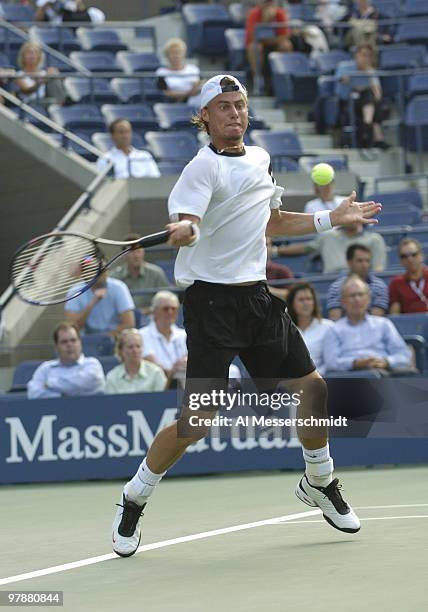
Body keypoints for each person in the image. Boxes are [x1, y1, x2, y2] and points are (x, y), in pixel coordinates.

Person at [111, 73, 382, 557]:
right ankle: (135, 496)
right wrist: (186, 230)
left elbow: (271, 221)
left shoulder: (260, 158)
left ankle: (319, 481)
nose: (235, 113)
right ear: (204, 117)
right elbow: (189, 223)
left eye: (240, 105)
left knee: (314, 388)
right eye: (224, 106)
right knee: (197, 421)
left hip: (256, 299)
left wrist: (330, 219)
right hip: (211, 305)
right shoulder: (199, 170)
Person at [324, 276, 412, 374]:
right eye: (352, 295)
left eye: (360, 294)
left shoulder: (383, 324)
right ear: (343, 301)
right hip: (349, 378)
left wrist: (386, 361)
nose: (357, 299)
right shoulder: (334, 329)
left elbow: (405, 355)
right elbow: (331, 363)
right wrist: (356, 363)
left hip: (383, 374)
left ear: (368, 299)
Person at [27, 321, 105, 398]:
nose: (69, 345)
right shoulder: (45, 369)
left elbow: (86, 381)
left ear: (80, 343)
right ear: (56, 347)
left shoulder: (92, 364)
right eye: (64, 342)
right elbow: (33, 393)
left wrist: (48, 385)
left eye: (73, 340)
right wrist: (61, 397)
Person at [276, 222, 386, 274]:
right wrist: (276, 250)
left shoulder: (375, 239)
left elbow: (378, 269)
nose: (351, 218)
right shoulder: (327, 237)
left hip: (362, 283)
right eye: (347, 213)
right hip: (331, 281)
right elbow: (306, 248)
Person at [336, 44, 388, 148]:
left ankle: (367, 123)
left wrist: (370, 76)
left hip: (366, 103)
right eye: (363, 55)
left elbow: (378, 95)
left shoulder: (371, 71)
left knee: (370, 96)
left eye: (369, 56)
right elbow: (342, 83)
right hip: (347, 101)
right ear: (356, 56)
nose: (366, 59)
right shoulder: (344, 67)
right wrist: (354, 79)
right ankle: (377, 135)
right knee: (367, 96)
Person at [65, 266, 135, 335]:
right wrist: (92, 303)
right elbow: (73, 327)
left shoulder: (119, 287)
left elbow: (129, 324)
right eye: (95, 269)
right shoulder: (74, 291)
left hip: (115, 337)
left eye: (103, 269)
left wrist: (105, 338)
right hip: (86, 339)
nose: (101, 273)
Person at [327, 243, 388, 320]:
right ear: (349, 263)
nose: (364, 265)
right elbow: (335, 318)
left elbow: (376, 319)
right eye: (360, 261)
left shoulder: (380, 286)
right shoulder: (336, 287)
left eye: (367, 261)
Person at [110, 233, 169, 312]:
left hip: (152, 318)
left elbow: (167, 300)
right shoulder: (114, 276)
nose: (136, 255)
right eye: (132, 251)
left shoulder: (156, 273)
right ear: (123, 255)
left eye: (139, 251)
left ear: (143, 252)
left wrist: (148, 311)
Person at [139, 290, 187, 386]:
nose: (170, 312)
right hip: (154, 386)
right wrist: (173, 372)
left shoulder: (185, 335)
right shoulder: (141, 335)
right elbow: (150, 365)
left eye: (174, 309)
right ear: (154, 311)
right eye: (165, 309)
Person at [286, 283, 334, 376]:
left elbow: (330, 363)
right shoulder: (284, 330)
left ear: (314, 302)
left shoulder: (328, 327)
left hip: (322, 379)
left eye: (309, 299)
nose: (306, 303)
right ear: (292, 304)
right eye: (301, 300)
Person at [105, 329, 167, 394]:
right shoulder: (112, 377)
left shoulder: (156, 373)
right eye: (130, 347)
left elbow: (163, 401)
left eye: (138, 346)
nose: (135, 351)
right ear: (121, 351)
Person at [96, 119, 160, 179]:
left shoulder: (145, 156)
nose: (125, 136)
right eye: (121, 132)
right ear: (113, 135)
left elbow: (156, 179)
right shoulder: (105, 159)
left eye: (127, 131)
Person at [15, 42, 65, 107]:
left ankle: (59, 107)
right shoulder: (19, 74)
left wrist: (56, 75)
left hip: (45, 102)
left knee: (54, 79)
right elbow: (27, 90)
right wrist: (42, 81)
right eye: (29, 53)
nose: (32, 55)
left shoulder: (44, 73)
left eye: (35, 53)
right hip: (29, 104)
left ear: (39, 56)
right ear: (23, 56)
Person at [156, 38, 203, 106]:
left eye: (178, 52)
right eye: (173, 53)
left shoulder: (194, 69)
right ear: (167, 55)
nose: (176, 56)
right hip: (173, 103)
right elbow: (165, 93)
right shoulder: (161, 72)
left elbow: (201, 86)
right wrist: (188, 94)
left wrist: (196, 87)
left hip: (196, 101)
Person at [389, 239, 428, 313]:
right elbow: (395, 315)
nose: (410, 259)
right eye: (404, 256)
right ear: (400, 261)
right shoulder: (396, 283)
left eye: (414, 254)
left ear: (422, 256)